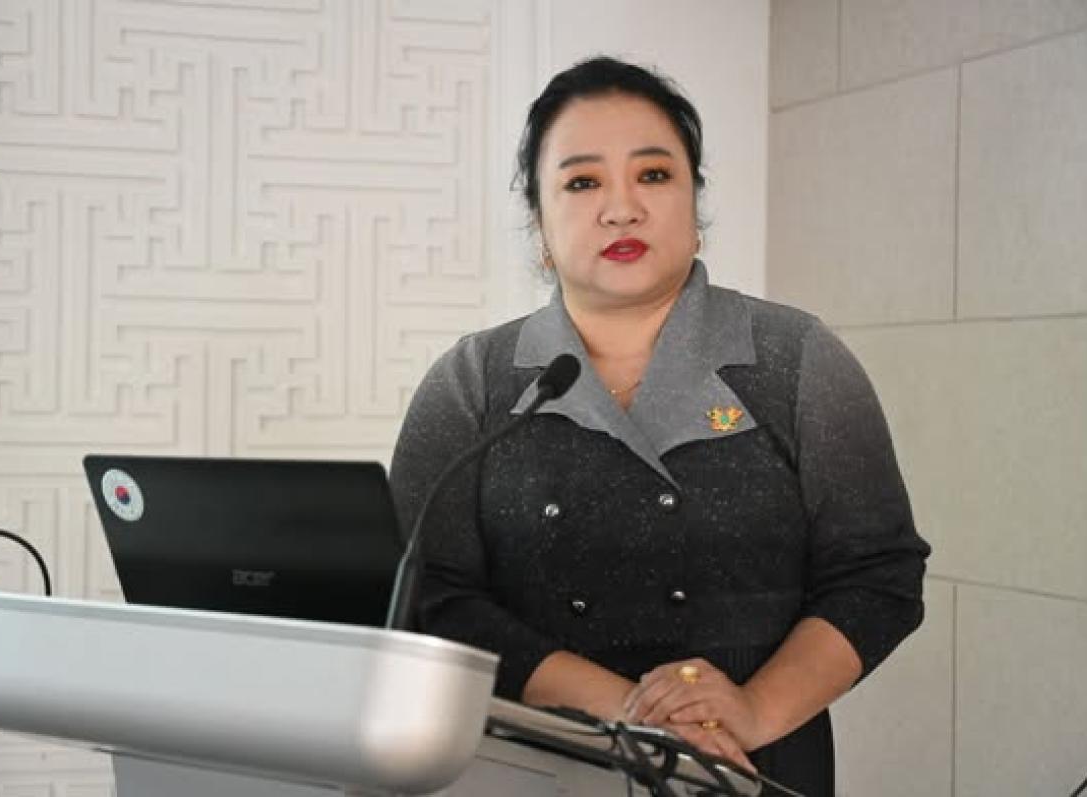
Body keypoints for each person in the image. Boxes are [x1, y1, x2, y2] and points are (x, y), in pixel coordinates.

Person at [389, 56, 930, 795]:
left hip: (753, 764)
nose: (622, 208)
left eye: (653, 174)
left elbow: (878, 575)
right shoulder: (473, 379)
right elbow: (429, 593)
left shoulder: (797, 357)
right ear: (539, 223)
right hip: (533, 760)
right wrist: (632, 712)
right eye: (583, 182)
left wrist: (749, 711)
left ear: (694, 206)